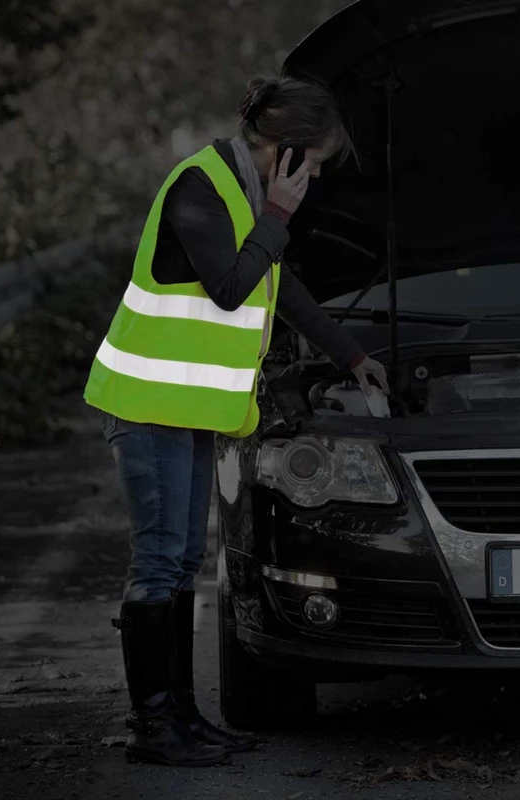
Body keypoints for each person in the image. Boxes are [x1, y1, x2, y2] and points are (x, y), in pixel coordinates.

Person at [82, 76, 389, 767]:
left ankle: (183, 717)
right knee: (159, 561)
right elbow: (230, 290)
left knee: (184, 559)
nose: (314, 178)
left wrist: (351, 354)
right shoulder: (201, 187)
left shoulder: (242, 193)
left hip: (183, 407)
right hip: (146, 404)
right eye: (311, 163)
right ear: (282, 153)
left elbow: (279, 283)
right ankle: (153, 726)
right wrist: (279, 213)